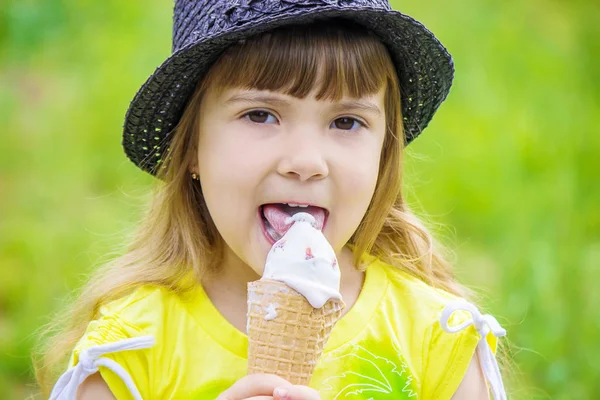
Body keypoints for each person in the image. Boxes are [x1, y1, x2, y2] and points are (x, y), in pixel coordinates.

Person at [34, 0, 508, 398]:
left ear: (384, 154)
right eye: (260, 114)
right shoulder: (128, 353)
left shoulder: (437, 339)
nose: (305, 161)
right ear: (193, 147)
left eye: (346, 122)